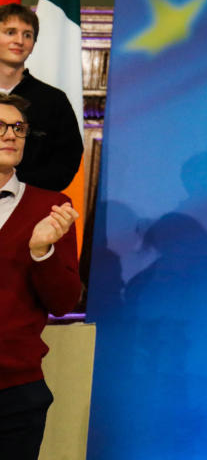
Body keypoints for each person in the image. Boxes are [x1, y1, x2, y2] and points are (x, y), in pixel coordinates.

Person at [0, 93, 82, 460]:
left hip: (15, 392)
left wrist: (41, 252)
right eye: (0, 127)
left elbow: (64, 303)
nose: (11, 135)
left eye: (18, 127)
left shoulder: (52, 206)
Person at [0, 5, 83, 193]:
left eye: (27, 35)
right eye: (10, 32)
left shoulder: (54, 100)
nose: (19, 41)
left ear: (34, 44)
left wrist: (16, 188)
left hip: (32, 202)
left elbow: (66, 162)